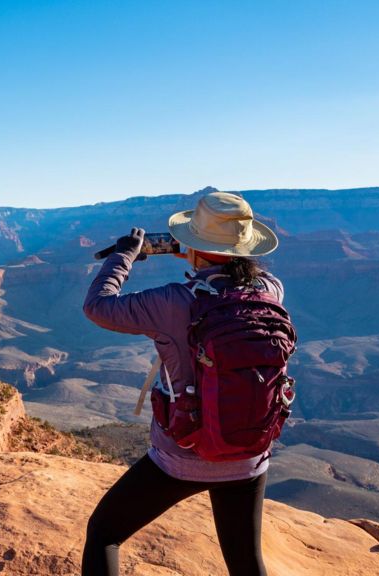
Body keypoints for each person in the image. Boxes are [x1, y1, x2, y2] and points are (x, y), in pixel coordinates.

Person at [80, 192, 283, 576]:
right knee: (245, 562)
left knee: (104, 533)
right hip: (248, 456)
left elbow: (98, 306)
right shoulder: (269, 292)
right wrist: (200, 250)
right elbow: (248, 275)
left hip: (183, 457)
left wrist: (123, 255)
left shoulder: (174, 302)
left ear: (194, 245)